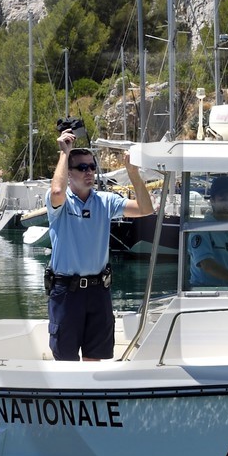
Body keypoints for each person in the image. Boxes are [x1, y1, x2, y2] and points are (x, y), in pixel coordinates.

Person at [46, 126, 154, 361]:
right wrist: (65, 153)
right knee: (65, 358)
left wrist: (133, 173)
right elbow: (57, 190)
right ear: (69, 172)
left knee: (96, 357)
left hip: (98, 291)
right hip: (66, 291)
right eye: (82, 167)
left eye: (92, 167)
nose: (89, 172)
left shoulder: (105, 201)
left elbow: (146, 209)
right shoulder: (60, 204)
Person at [188, 174, 228, 287]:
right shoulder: (201, 230)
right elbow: (207, 265)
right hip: (203, 294)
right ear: (212, 201)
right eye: (223, 199)